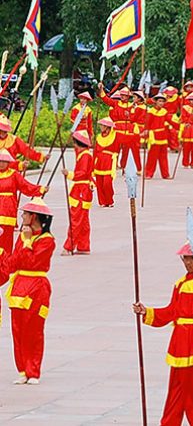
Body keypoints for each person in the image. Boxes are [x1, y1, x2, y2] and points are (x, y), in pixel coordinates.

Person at [132, 242, 193, 426]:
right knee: (175, 392)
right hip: (179, 343)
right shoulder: (180, 284)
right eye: (185, 258)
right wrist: (147, 312)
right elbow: (172, 311)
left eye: (191, 258)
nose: (187, 262)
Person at [0, 197, 54, 384]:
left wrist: (28, 241)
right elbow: (14, 263)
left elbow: (32, 262)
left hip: (37, 287)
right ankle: (22, 370)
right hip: (19, 286)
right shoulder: (22, 236)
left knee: (34, 330)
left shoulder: (47, 240)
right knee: (18, 330)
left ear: (33, 217)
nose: (22, 216)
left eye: (25, 214)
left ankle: (34, 370)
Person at [0, 149, 46, 254]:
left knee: (6, 239)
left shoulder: (14, 175)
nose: (1, 164)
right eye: (0, 161)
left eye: (4, 161)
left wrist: (40, 189)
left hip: (8, 211)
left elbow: (26, 186)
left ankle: (5, 263)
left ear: (8, 162)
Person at [62, 130, 94, 256]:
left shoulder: (85, 156)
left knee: (76, 219)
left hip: (81, 190)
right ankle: (83, 245)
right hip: (83, 190)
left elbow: (82, 174)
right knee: (83, 220)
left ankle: (69, 246)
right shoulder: (84, 155)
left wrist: (69, 174)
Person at [142, 93, 174, 179]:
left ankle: (165, 174)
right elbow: (147, 124)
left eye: (163, 101)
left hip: (163, 136)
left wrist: (180, 126)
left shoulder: (164, 112)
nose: (161, 103)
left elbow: (170, 121)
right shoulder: (151, 112)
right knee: (152, 156)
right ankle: (148, 173)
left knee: (163, 157)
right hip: (154, 136)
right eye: (159, 101)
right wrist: (145, 132)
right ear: (155, 102)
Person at [93, 118, 120, 207]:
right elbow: (95, 151)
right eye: (101, 125)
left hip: (109, 160)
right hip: (99, 161)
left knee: (107, 183)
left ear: (107, 127)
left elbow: (117, 149)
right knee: (99, 183)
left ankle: (109, 200)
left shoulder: (115, 136)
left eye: (103, 126)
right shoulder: (98, 137)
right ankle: (103, 201)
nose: (101, 127)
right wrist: (92, 163)